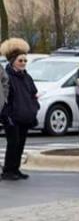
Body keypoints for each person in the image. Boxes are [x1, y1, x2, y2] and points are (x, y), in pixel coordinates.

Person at [0, 38, 39, 180]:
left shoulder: (26, 76)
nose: (23, 63)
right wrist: (6, 115)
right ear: (12, 61)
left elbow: (33, 93)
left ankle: (15, 169)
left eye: (25, 61)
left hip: (24, 115)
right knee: (13, 143)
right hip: (11, 116)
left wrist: (34, 107)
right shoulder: (7, 77)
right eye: (20, 60)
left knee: (21, 143)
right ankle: (8, 171)